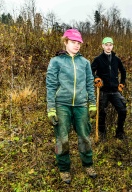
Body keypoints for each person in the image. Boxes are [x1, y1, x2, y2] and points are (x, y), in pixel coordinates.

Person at [46, 29, 97, 184]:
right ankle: (64, 168)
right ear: (65, 42)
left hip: (81, 104)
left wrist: (92, 104)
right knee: (62, 138)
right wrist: (51, 108)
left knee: (84, 137)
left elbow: (89, 83)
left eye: (79, 43)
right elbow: (51, 85)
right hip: (62, 104)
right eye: (73, 42)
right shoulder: (56, 61)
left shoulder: (85, 63)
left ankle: (88, 164)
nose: (77, 45)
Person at [91, 37, 127, 140]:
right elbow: (90, 71)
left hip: (115, 91)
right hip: (103, 90)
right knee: (102, 112)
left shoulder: (116, 59)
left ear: (112, 46)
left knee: (122, 110)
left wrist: (122, 83)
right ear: (102, 46)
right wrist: (96, 78)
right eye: (106, 45)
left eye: (110, 45)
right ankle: (102, 134)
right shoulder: (98, 59)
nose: (108, 47)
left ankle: (119, 132)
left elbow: (123, 71)